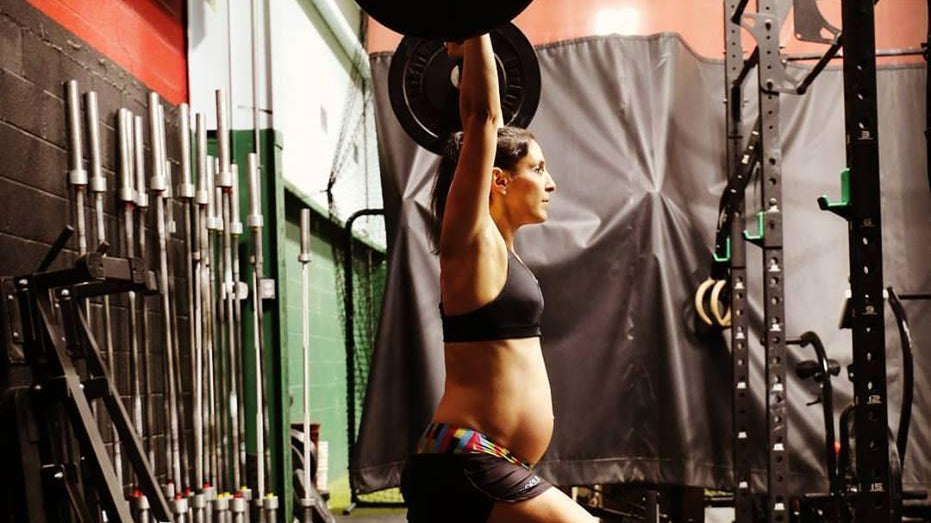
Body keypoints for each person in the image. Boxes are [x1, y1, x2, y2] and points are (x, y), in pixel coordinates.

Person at [399, 33, 597, 523]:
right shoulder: (471, 241)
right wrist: (477, 29)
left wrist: (471, 47)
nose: (551, 183)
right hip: (466, 461)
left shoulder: (503, 253)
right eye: (539, 169)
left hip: (484, 461)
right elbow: (482, 118)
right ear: (500, 179)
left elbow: (489, 119)